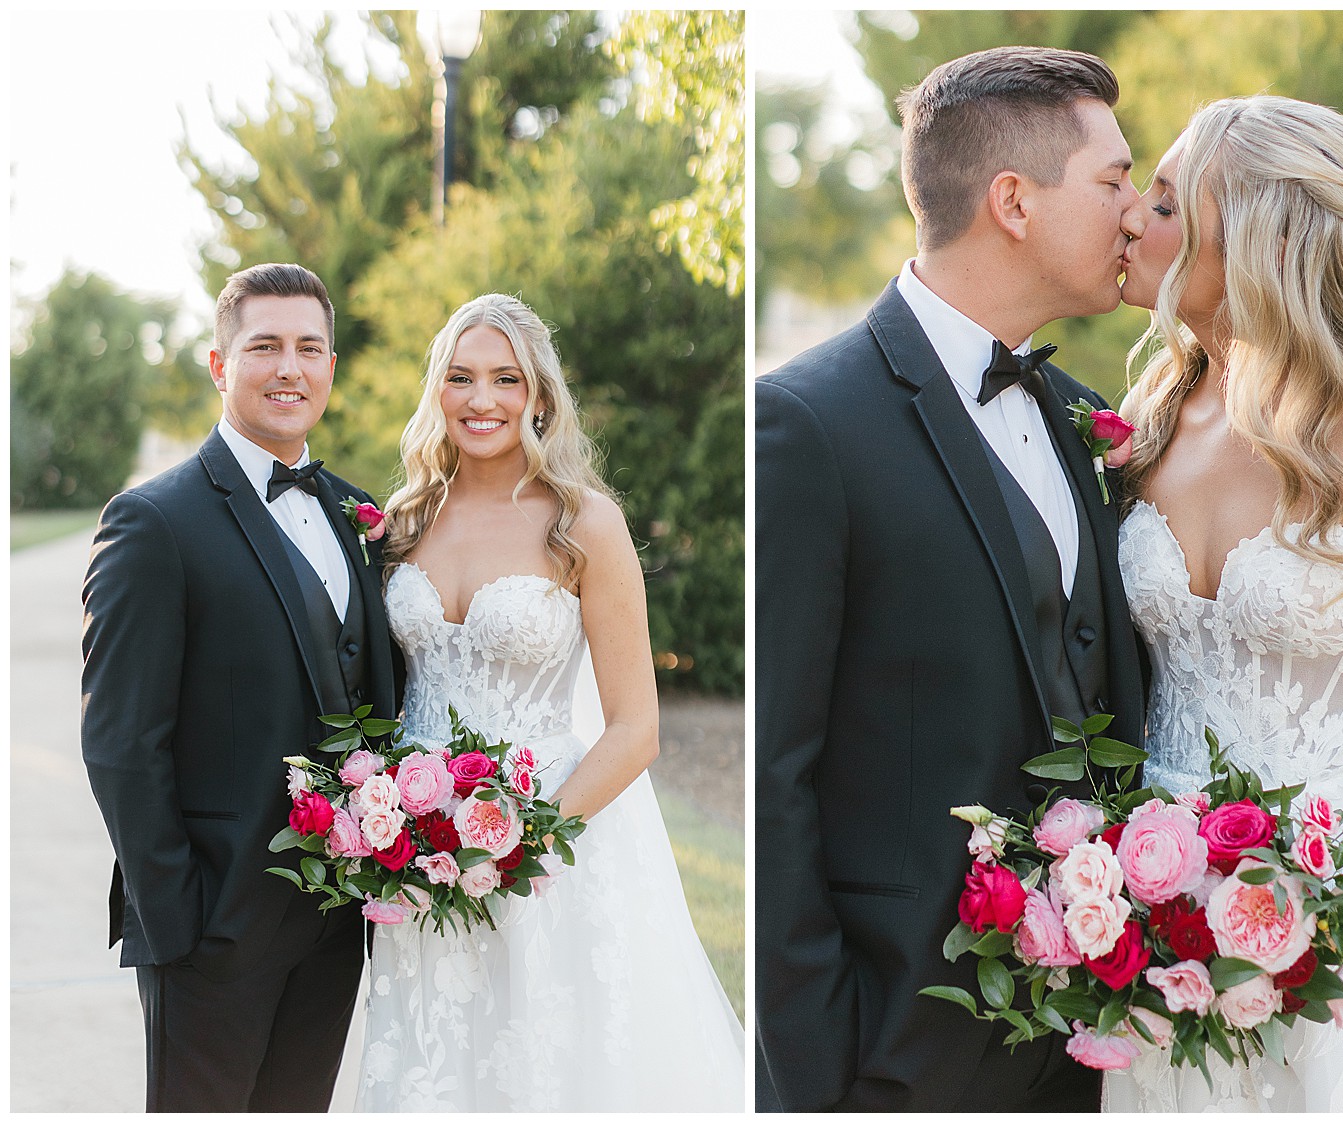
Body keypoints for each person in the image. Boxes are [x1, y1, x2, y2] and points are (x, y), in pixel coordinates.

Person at [756, 47, 1148, 1112]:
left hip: (1081, 1045)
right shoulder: (803, 422)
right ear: (1013, 201)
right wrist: (814, 1062)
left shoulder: (1085, 416)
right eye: (1113, 182)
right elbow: (772, 771)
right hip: (890, 1045)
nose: (1135, 214)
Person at [1108, 95, 1343, 1110]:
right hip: (1156, 941)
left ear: (1258, 240)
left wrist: (1322, 936)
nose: (1131, 221)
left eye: (1165, 202)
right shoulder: (1147, 417)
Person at [352, 292, 744, 1111]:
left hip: (547, 851)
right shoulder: (401, 522)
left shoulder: (584, 524)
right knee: (438, 1067)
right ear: (438, 392)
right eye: (461, 378)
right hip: (417, 857)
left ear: (539, 396)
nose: (482, 399)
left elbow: (635, 729)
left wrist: (521, 840)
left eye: (505, 378)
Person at [81, 262, 401, 1111]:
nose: (289, 367)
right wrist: (178, 921)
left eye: (309, 347)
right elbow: (120, 742)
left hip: (336, 926)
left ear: (332, 365)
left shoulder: (355, 512)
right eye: (264, 346)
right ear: (221, 365)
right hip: (211, 928)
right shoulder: (153, 521)